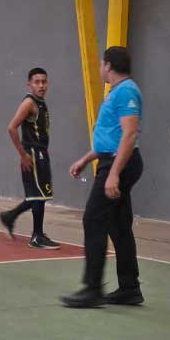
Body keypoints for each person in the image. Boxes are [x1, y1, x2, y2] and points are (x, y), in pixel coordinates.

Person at [62, 46, 144, 308]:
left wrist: (114, 174)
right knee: (118, 224)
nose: (100, 68)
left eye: (101, 64)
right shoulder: (117, 92)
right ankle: (130, 288)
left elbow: (129, 134)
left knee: (94, 219)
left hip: (120, 164)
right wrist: (86, 159)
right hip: (112, 160)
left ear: (108, 65)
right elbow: (111, 137)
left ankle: (92, 289)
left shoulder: (127, 90)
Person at [0, 67, 60, 249]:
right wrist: (23, 154)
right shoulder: (29, 103)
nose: (41, 85)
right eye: (37, 82)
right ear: (29, 84)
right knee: (38, 196)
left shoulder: (41, 102)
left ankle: (11, 217)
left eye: (44, 82)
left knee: (39, 195)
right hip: (33, 153)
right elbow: (11, 127)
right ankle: (36, 236)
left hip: (41, 152)